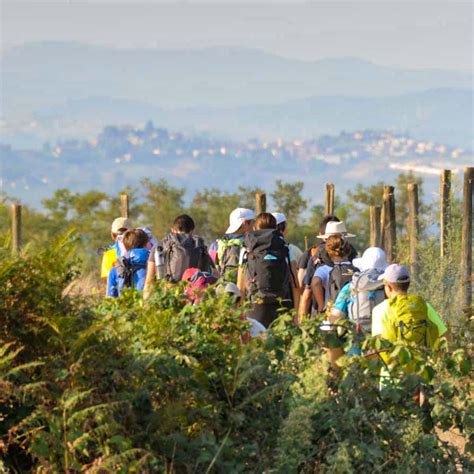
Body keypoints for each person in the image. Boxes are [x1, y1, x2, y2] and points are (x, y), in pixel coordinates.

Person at [372, 264, 447, 389]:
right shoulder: (424, 306)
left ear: (388, 286)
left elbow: (378, 347)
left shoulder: (380, 310)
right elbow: (445, 338)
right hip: (422, 377)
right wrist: (433, 363)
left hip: (392, 380)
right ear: (408, 284)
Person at [237, 213, 296, 328]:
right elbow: (295, 285)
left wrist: (241, 311)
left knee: (257, 343)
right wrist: (297, 313)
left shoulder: (247, 249)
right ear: (276, 228)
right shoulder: (285, 247)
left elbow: (240, 285)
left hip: (256, 304)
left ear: (255, 228)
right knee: (282, 343)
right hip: (282, 303)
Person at [143, 214, 214, 299]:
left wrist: (145, 303)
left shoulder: (161, 245)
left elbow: (149, 279)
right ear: (192, 230)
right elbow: (214, 273)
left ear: (173, 230)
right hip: (193, 294)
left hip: (169, 293)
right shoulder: (199, 245)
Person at [298, 220, 357, 320]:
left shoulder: (316, 258)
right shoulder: (354, 261)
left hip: (330, 312)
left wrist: (321, 307)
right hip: (352, 313)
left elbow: (310, 288)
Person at [311, 233, 357, 312]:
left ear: (328, 252)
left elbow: (315, 283)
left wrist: (321, 306)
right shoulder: (355, 268)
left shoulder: (324, 269)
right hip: (353, 311)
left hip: (333, 312)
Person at [214, 208, 255, 283]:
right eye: (253, 222)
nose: (254, 226)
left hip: (223, 288)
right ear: (245, 223)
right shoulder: (249, 244)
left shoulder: (217, 244)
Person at [272, 211, 303, 308]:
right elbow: (297, 283)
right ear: (284, 229)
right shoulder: (291, 250)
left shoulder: (255, 250)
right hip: (286, 300)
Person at [107, 228, 150, 297]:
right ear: (146, 244)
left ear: (124, 245)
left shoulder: (116, 269)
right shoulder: (153, 264)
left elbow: (111, 298)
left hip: (125, 305)